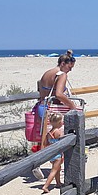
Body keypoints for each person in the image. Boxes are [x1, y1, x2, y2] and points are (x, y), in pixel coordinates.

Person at [31, 50, 79, 179]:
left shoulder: (47, 73)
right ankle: (57, 165)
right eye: (69, 67)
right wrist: (72, 106)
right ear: (63, 63)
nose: (70, 70)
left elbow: (42, 91)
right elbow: (59, 94)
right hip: (53, 109)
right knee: (58, 137)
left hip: (42, 107)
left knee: (44, 137)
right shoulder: (61, 75)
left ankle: (38, 162)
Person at [41, 112, 64, 193]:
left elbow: (46, 143)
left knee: (58, 168)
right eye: (61, 121)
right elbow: (61, 142)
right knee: (54, 170)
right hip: (57, 153)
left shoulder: (49, 133)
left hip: (52, 153)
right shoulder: (57, 132)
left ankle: (58, 183)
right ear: (59, 123)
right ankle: (46, 186)